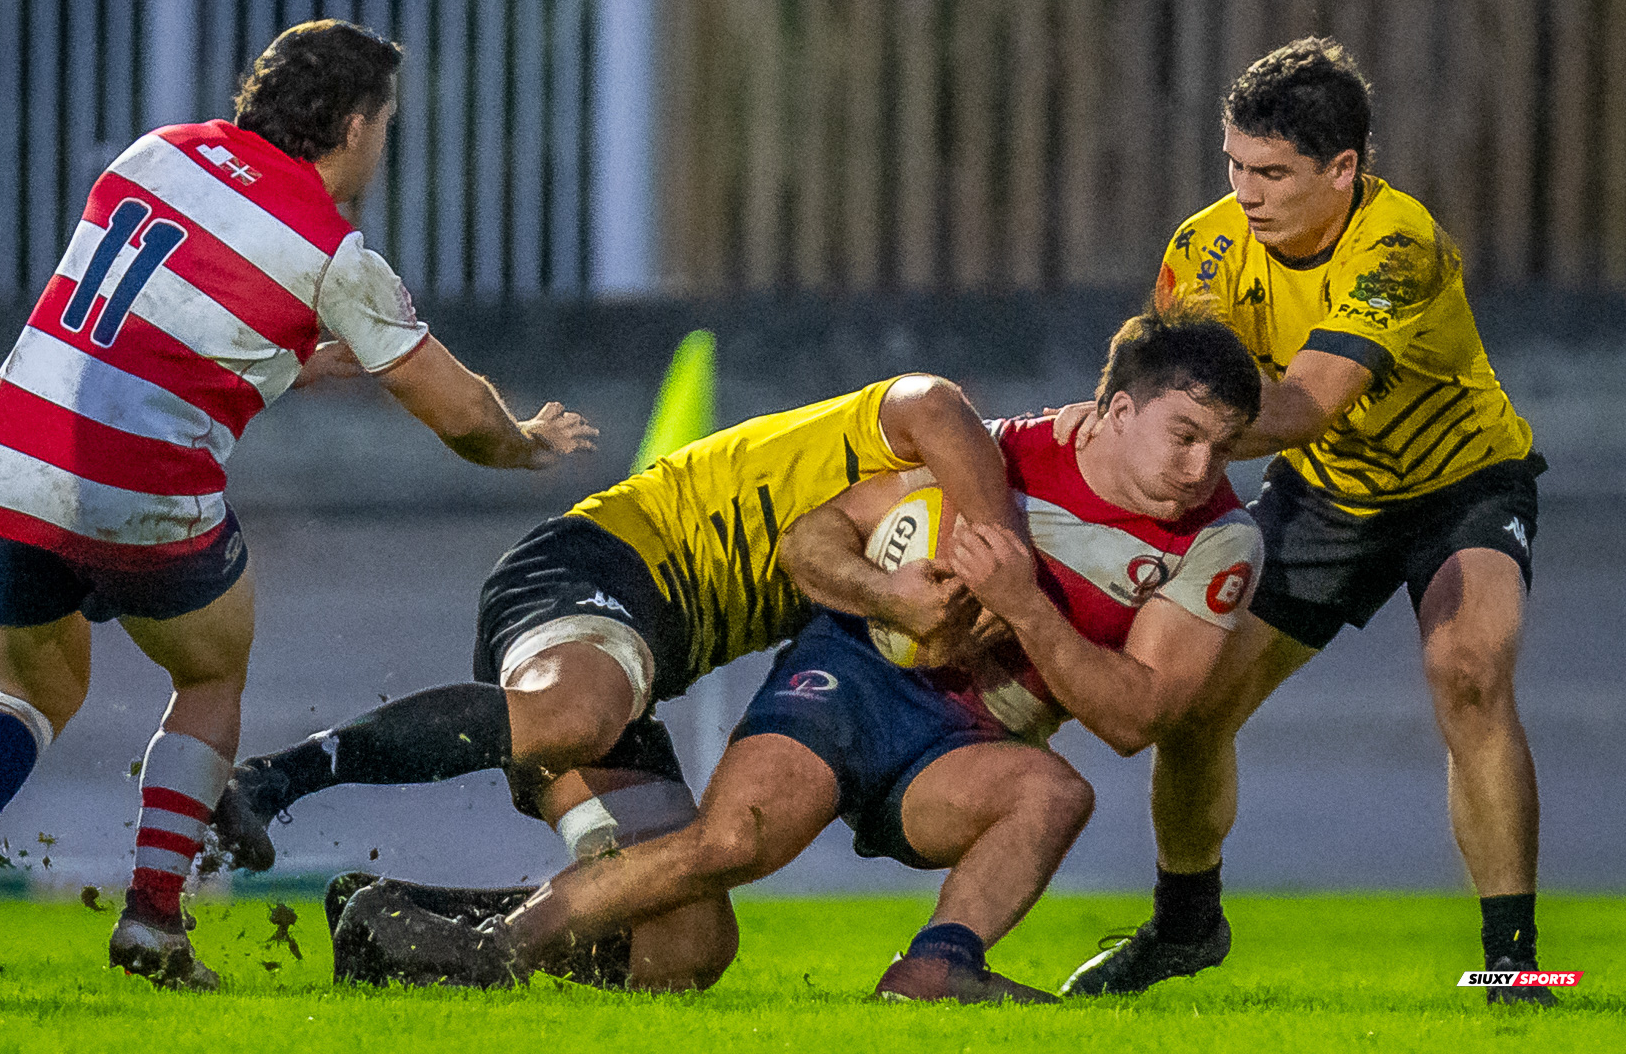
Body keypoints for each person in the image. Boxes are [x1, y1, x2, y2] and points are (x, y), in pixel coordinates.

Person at [0, 20, 597, 991]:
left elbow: (148, 328)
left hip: (8, 453)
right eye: (385, 123)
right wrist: (524, 442)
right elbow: (458, 412)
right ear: (354, 125)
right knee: (213, 671)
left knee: (36, 691)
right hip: (139, 484)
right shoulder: (332, 253)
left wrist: (291, 363)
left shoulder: (156, 153)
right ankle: (152, 923)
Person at [329, 306, 1268, 1002]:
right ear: (1111, 409)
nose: (1199, 472)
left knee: (1056, 793)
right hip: (854, 674)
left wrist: (1026, 608)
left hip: (970, 744)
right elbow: (813, 541)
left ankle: (939, 967)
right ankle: (494, 947)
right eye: (1183, 436)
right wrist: (891, 593)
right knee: (732, 849)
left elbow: (1137, 717)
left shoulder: (1221, 541)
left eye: (1221, 451)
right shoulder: (994, 457)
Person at [213, 373, 1027, 990]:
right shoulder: (942, 436)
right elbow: (932, 402)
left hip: (641, 663)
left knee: (689, 943)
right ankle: (273, 778)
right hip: (598, 564)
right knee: (575, 713)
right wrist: (1000, 558)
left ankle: (400, 921)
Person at [1054, 37, 1553, 1006]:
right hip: (1325, 498)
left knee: (1469, 672)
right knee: (1193, 708)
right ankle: (1186, 926)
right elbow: (1152, 367)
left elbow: (1304, 407)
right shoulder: (1206, 244)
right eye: (1235, 165)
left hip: (1464, 488)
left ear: (1344, 171)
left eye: (1273, 172)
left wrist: (1166, 437)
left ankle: (1515, 964)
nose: (1246, 191)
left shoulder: (1397, 245)